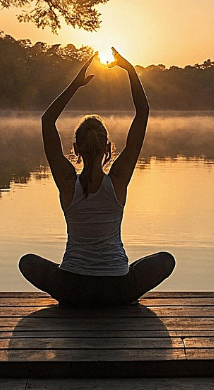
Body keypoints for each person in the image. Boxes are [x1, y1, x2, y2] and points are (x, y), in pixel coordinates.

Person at [19, 48, 175, 306]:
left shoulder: (68, 182)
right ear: (108, 149)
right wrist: (130, 71)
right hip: (117, 290)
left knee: (27, 262)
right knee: (165, 260)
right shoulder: (117, 181)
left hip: (71, 289)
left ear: (76, 149)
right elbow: (143, 111)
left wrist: (75, 85)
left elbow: (47, 121)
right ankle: (118, 284)